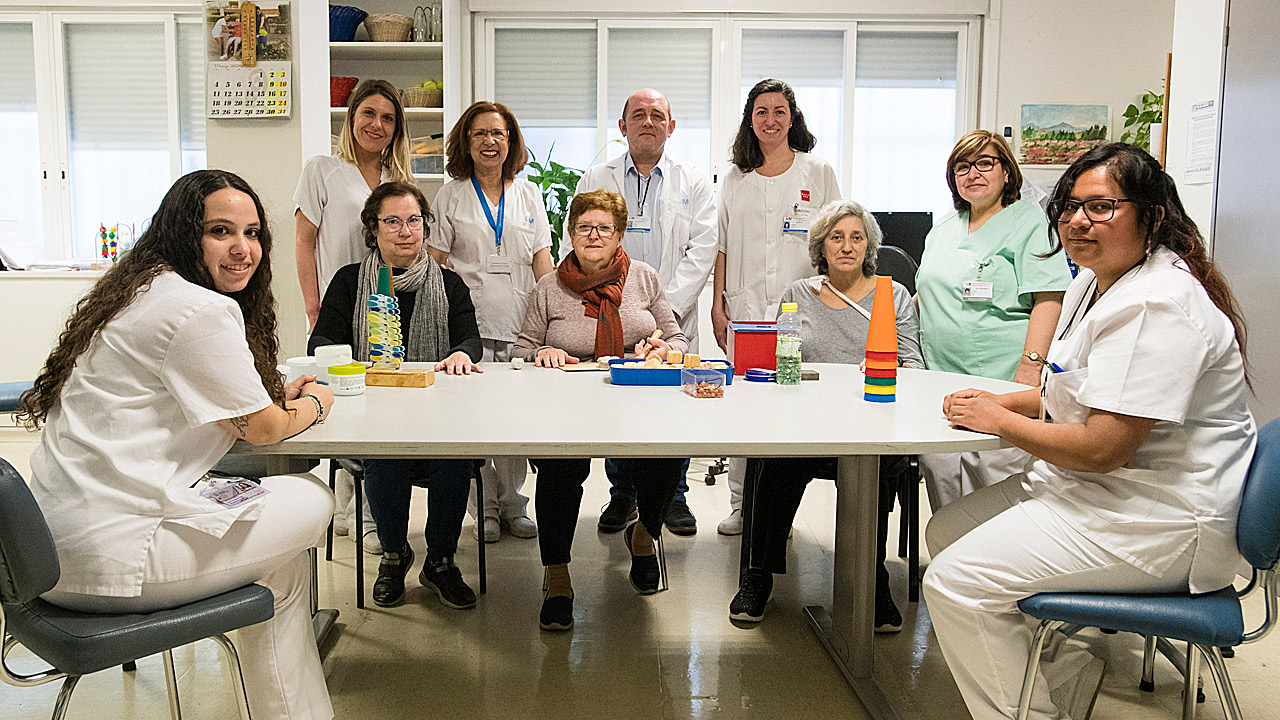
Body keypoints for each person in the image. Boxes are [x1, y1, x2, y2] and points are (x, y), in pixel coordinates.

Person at [923, 143, 1256, 720]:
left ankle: (1030, 713)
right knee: (947, 531)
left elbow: (1104, 447)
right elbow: (1075, 388)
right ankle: (1057, 673)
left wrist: (999, 420)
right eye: (1070, 207)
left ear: (1153, 215)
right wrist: (1006, 400)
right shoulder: (1099, 282)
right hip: (1107, 494)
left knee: (954, 583)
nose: (1078, 221)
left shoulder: (1158, 303)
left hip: (1156, 518)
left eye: (1101, 207)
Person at [18, 170, 337, 720]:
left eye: (253, 233)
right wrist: (315, 405)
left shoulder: (139, 291)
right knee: (312, 496)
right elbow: (261, 431)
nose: (243, 249)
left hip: (47, 548)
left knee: (281, 571)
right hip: (109, 558)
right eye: (220, 231)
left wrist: (261, 398)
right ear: (185, 234)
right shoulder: (199, 309)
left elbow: (183, 396)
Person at [727, 200, 923, 630]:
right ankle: (759, 575)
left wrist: (889, 366)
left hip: (869, 423)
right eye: (837, 237)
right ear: (821, 246)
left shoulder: (893, 294)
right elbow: (782, 361)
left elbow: (914, 364)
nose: (847, 246)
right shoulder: (798, 295)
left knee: (879, 465)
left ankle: (873, 577)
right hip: (807, 425)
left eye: (856, 237)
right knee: (774, 461)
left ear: (869, 245)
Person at [513, 189, 688, 631]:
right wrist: (542, 354)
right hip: (567, 407)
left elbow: (679, 338)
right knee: (559, 472)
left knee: (668, 457)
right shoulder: (548, 287)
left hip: (638, 400)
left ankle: (644, 536)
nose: (593, 235)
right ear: (570, 233)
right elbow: (521, 351)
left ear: (620, 235)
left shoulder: (644, 278)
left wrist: (663, 348)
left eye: (604, 228)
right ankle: (556, 576)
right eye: (583, 227)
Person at [310, 181, 483, 610]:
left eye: (414, 220)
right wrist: (350, 364)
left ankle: (440, 560)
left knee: (455, 456)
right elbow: (322, 343)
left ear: (425, 227)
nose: (406, 230)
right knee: (383, 452)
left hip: (437, 415)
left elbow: (470, 340)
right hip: (373, 412)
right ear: (373, 229)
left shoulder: (448, 283)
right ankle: (394, 553)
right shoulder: (350, 282)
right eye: (393, 221)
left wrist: (460, 353)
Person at [573, 88, 718, 537]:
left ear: (671, 127)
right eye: (639, 115)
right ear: (623, 126)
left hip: (670, 315)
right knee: (618, 403)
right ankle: (624, 495)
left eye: (658, 115)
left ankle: (674, 495)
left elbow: (704, 246)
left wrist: (663, 310)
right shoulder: (597, 175)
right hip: (610, 312)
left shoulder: (693, 180)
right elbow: (579, 237)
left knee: (674, 407)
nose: (648, 122)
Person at [915, 129, 1073, 513]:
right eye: (962, 167)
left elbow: (1049, 297)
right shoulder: (942, 230)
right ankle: (951, 564)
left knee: (996, 493)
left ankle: (995, 568)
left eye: (985, 163)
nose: (973, 173)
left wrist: (1030, 366)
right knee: (946, 486)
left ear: (1007, 173)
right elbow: (925, 295)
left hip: (1002, 380)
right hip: (940, 380)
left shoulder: (1029, 224)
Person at [710, 78, 841, 536]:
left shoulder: (817, 170)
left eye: (779, 111)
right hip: (745, 308)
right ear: (751, 119)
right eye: (761, 111)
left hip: (803, 309)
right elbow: (721, 245)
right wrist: (717, 305)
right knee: (745, 406)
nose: (770, 120)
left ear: (793, 118)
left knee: (792, 405)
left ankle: (779, 511)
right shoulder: (734, 177)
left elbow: (834, 241)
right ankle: (742, 504)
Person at [294, 79, 413, 555]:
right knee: (343, 402)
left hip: (383, 307)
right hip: (337, 303)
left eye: (387, 118)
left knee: (375, 405)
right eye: (369, 113)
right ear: (351, 117)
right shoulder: (323, 168)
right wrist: (312, 304)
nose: (377, 125)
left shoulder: (395, 177)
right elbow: (304, 240)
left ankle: (361, 511)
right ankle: (346, 508)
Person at [428, 101, 551, 543]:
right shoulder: (451, 194)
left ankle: (515, 504)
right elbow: (436, 262)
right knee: (474, 420)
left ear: (511, 141)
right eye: (479, 133)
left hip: (519, 319)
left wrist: (553, 314)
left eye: (498, 134)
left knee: (514, 419)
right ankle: (485, 510)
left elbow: (542, 259)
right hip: (468, 324)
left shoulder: (529, 194)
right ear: (466, 141)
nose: (489, 142)